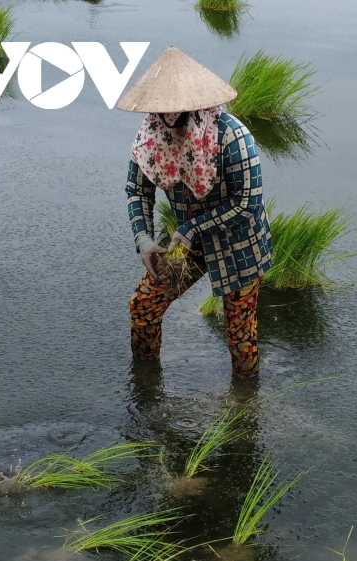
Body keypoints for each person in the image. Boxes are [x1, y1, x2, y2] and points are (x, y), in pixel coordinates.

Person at [116, 46, 272, 379]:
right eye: (161, 111)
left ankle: (245, 405)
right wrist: (143, 238)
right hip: (186, 241)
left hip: (239, 242)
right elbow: (137, 191)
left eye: (177, 110)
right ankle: (145, 388)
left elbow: (248, 205)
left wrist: (191, 229)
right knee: (144, 305)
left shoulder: (232, 137)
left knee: (239, 331)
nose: (168, 119)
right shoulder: (151, 138)